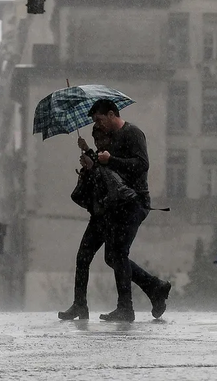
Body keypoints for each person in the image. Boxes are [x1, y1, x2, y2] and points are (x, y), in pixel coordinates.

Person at [87, 99, 171, 322]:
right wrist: (92, 160)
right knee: (112, 256)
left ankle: (126, 307)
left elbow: (142, 165)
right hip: (118, 205)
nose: (98, 124)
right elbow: (111, 173)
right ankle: (155, 287)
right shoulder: (111, 139)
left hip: (135, 202)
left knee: (118, 253)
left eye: (99, 119)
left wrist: (111, 159)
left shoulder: (133, 133)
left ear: (112, 114)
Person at [58, 127, 149, 320]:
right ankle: (80, 304)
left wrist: (93, 166)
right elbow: (95, 181)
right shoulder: (99, 155)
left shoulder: (112, 155)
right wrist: (87, 159)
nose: (98, 142)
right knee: (84, 257)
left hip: (111, 215)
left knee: (115, 257)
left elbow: (112, 181)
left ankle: (134, 300)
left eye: (100, 138)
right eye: (95, 139)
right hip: (99, 215)